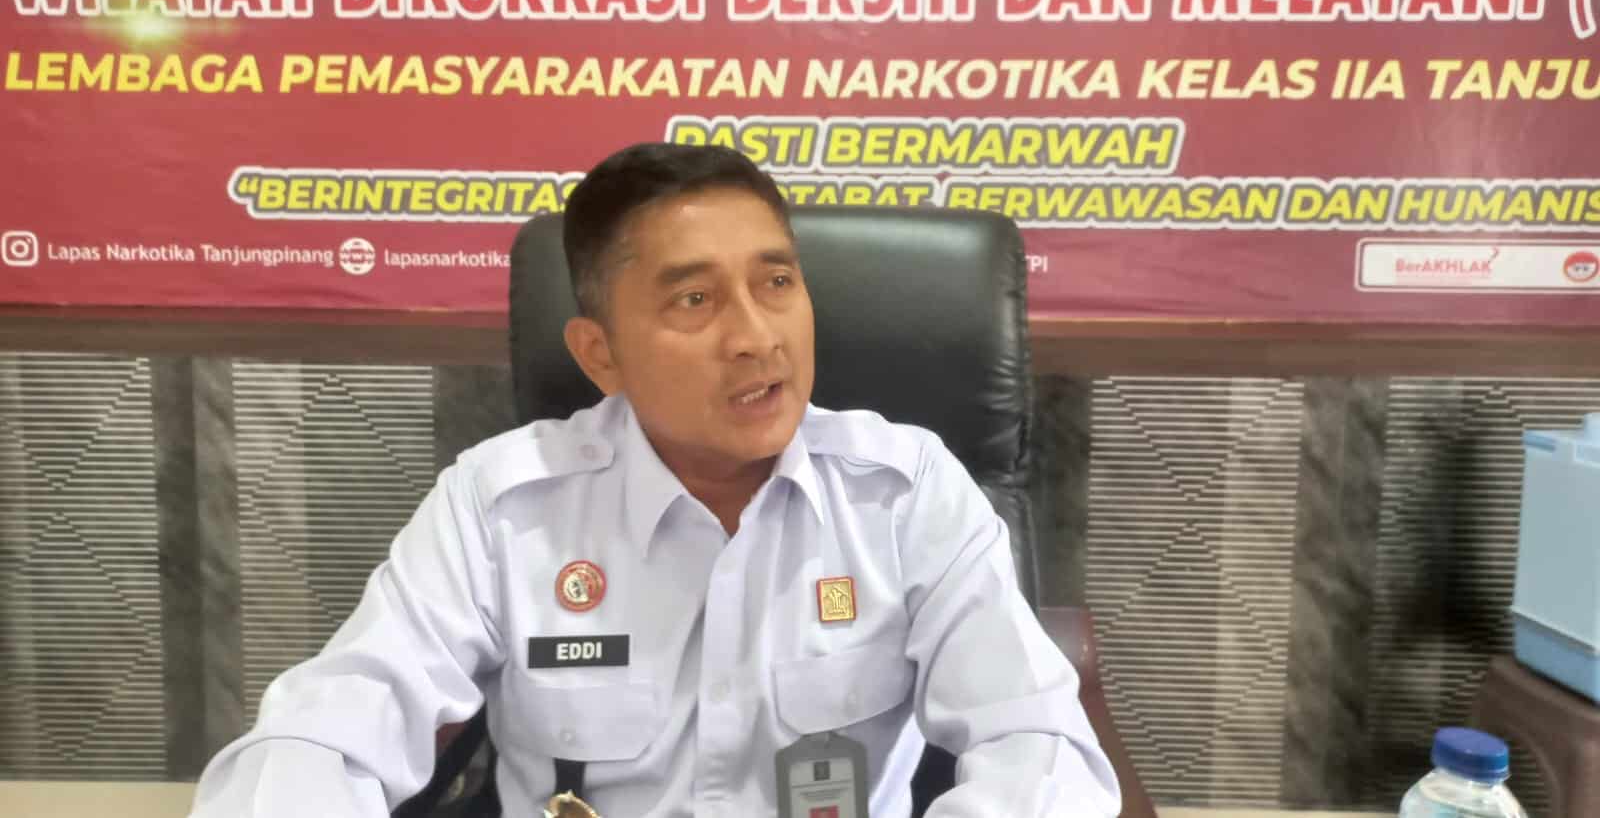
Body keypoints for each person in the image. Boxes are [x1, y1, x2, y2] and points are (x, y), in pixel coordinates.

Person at [189, 143, 1121, 817]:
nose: (756, 335)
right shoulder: (503, 506)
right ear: (600, 353)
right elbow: (331, 725)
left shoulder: (904, 492)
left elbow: (1037, 740)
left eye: (777, 283)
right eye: (695, 298)